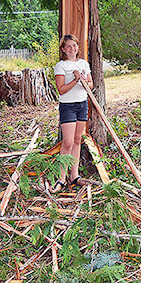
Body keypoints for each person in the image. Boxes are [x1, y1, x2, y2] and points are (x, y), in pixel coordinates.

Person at [53, 34, 93, 191]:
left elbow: (90, 84)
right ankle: (61, 178)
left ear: (78, 47)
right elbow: (61, 90)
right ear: (63, 49)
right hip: (68, 106)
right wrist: (75, 80)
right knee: (68, 142)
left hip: (82, 104)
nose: (72, 49)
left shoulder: (84, 63)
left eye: (74, 45)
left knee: (77, 141)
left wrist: (83, 80)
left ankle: (74, 176)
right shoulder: (61, 66)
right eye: (68, 46)